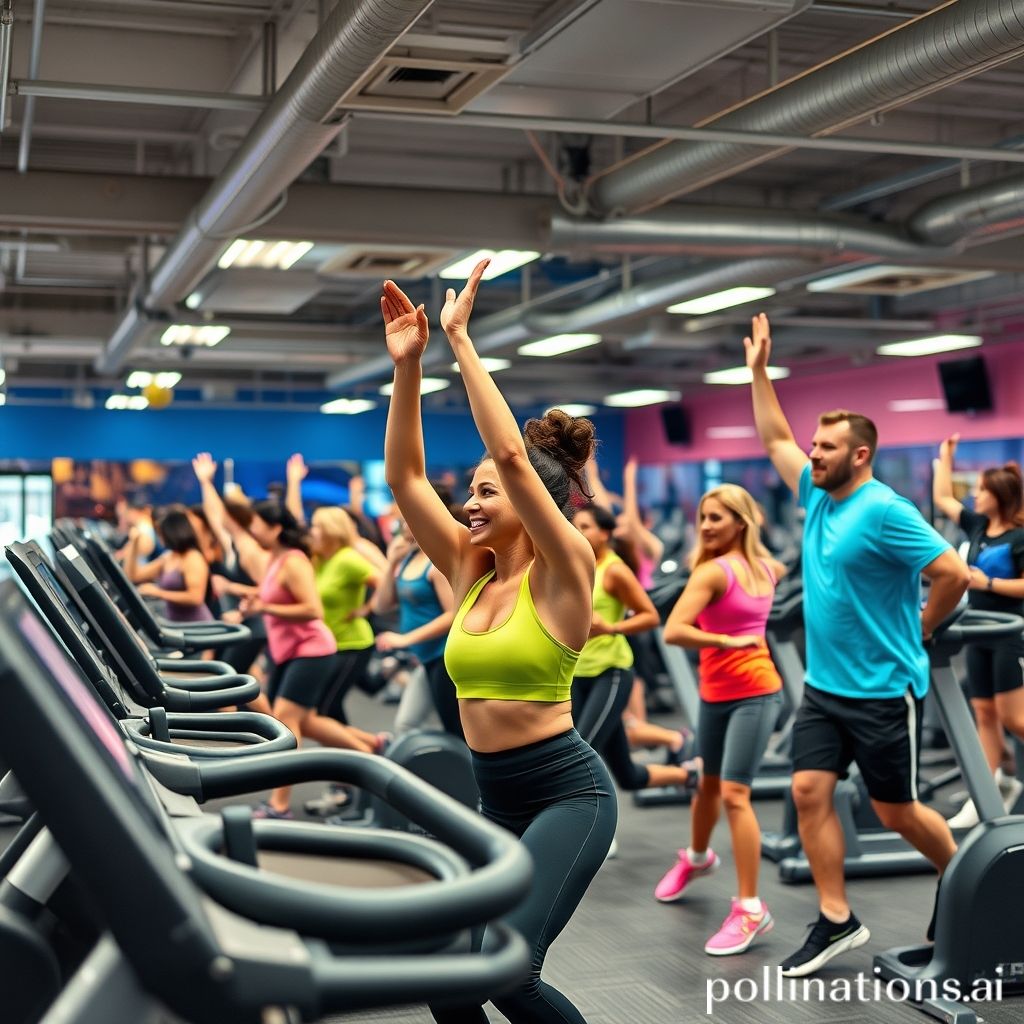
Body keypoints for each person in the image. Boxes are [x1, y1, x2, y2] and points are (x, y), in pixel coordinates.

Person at [382, 259, 616, 1024]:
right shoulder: (467, 570)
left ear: (529, 503)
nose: (468, 503)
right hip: (496, 797)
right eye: (471, 491)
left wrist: (459, 340)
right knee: (448, 974)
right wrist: (409, 369)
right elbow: (405, 478)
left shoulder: (566, 572)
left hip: (566, 794)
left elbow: (513, 459)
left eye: (484, 493)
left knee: (508, 973)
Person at [745, 311, 971, 977]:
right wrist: (759, 371)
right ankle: (837, 918)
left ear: (860, 455)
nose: (812, 454)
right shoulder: (817, 498)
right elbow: (773, 437)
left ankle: (971, 880)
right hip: (825, 688)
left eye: (827, 448)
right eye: (814, 446)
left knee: (895, 810)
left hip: (880, 690)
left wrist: (924, 627)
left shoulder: (885, 511)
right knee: (810, 792)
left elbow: (952, 571)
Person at [655, 484, 788, 956]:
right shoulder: (714, 572)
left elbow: (674, 630)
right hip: (716, 694)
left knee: (734, 793)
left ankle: (751, 907)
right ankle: (696, 857)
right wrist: (728, 643)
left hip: (757, 692)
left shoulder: (765, 567)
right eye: (704, 517)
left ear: (742, 521)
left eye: (717, 517)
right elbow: (675, 631)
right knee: (707, 786)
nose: (707, 525)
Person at [234, 500, 383, 818]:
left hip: (312, 650)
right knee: (308, 722)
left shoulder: (295, 560)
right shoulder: (277, 560)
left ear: (274, 529)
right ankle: (371, 750)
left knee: (287, 721)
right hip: (289, 652)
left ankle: (280, 805)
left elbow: (312, 610)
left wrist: (265, 608)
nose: (251, 530)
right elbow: (274, 596)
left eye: (257, 524)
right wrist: (252, 602)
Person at [571, 502, 699, 803]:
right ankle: (691, 775)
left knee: (580, 752)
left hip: (610, 671)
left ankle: (592, 829)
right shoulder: (578, 566)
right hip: (577, 673)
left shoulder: (614, 571)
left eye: (585, 527)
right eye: (576, 526)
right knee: (626, 775)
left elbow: (649, 616)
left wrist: (611, 627)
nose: (578, 533)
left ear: (605, 533)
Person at [934, 435, 1024, 825]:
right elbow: (943, 499)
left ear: (999, 496)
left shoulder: (1019, 536)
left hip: (1010, 632)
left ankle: (1001, 781)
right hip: (977, 631)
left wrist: (984, 582)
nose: (974, 496)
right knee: (983, 713)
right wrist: (945, 459)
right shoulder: (978, 526)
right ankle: (989, 791)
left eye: (981, 491)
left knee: (1014, 719)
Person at [373, 512, 463, 739]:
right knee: (406, 725)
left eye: (405, 519)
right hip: (425, 659)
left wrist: (405, 639)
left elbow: (453, 613)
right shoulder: (407, 559)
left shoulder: (435, 563)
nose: (401, 526)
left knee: (455, 730)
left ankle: (461, 772)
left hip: (443, 657)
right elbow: (381, 606)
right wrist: (391, 562)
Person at [307, 505, 382, 724]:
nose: (311, 531)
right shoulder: (320, 559)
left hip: (354, 644)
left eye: (316, 527)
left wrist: (367, 608)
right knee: (327, 707)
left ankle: (364, 751)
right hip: (332, 644)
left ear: (331, 530)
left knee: (326, 707)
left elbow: (384, 582)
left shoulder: (349, 559)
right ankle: (360, 751)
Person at [124, 505, 214, 623]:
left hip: (197, 626)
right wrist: (134, 544)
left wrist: (158, 593)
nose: (160, 538)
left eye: (161, 534)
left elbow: (196, 597)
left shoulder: (193, 557)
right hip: (177, 624)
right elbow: (133, 576)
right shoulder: (168, 557)